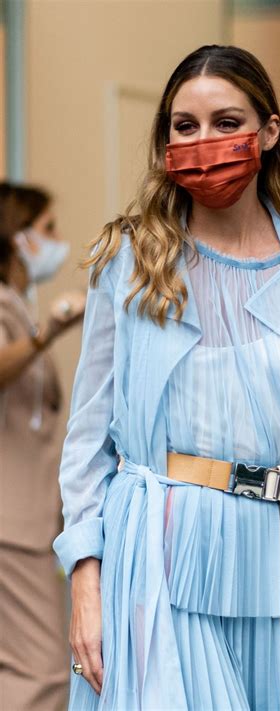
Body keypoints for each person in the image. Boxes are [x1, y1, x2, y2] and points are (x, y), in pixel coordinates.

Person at [52, 45, 280, 710]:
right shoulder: (132, 260)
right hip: (161, 553)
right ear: (164, 141)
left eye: (227, 122)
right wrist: (87, 583)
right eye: (184, 126)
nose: (204, 143)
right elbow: (88, 439)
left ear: (269, 131)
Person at [0, 182, 85, 710]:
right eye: (47, 229)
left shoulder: (17, 306)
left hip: (27, 521)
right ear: (17, 236)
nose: (57, 241)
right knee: (42, 676)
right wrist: (44, 336)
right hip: (12, 526)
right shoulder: (11, 313)